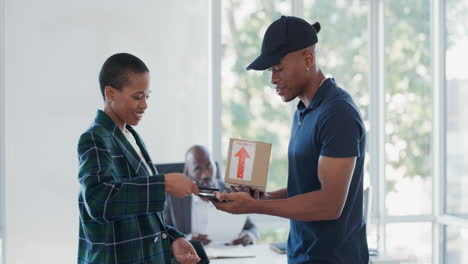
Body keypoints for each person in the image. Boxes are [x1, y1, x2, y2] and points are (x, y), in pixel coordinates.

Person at [213, 16, 369, 264]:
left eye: (278, 68)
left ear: (308, 59)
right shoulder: (303, 111)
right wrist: (264, 198)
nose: (273, 79)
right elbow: (308, 188)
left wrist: (254, 207)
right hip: (300, 255)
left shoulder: (338, 113)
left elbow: (329, 204)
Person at [77, 53, 201, 264]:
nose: (144, 105)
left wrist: (172, 238)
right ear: (110, 93)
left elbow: (137, 209)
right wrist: (164, 184)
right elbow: (99, 201)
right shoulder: (95, 137)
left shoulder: (130, 135)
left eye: (147, 96)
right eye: (137, 97)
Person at [164, 145, 258, 246]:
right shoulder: (174, 197)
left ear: (215, 165)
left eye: (209, 166)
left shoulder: (231, 191)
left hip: (229, 255)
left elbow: (251, 228)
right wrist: (187, 240)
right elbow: (164, 234)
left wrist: (248, 236)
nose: (206, 175)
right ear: (187, 173)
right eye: (197, 169)